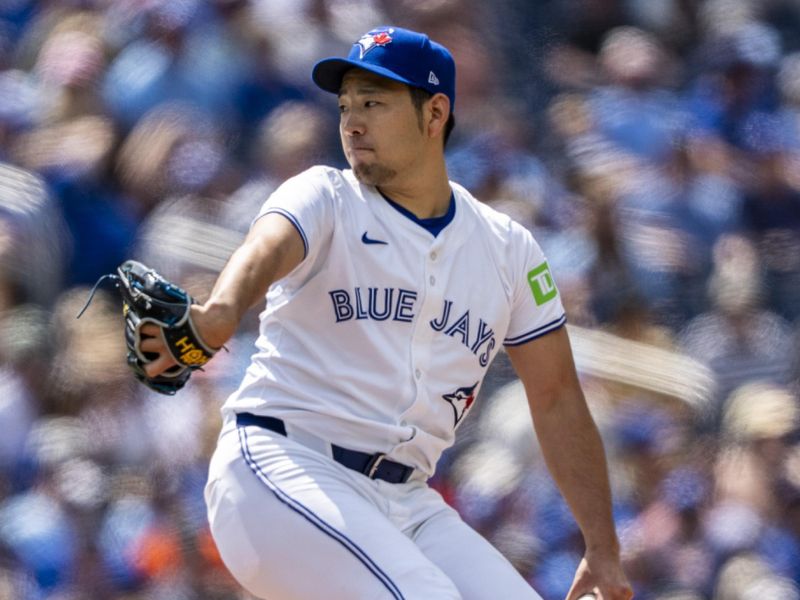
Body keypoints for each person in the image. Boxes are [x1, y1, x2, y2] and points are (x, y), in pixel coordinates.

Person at [140, 26, 632, 600]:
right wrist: (221, 311)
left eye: (373, 102)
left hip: (407, 501)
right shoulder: (326, 195)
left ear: (435, 113)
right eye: (346, 104)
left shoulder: (509, 249)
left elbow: (557, 397)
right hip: (282, 464)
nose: (351, 121)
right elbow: (268, 247)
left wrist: (602, 546)